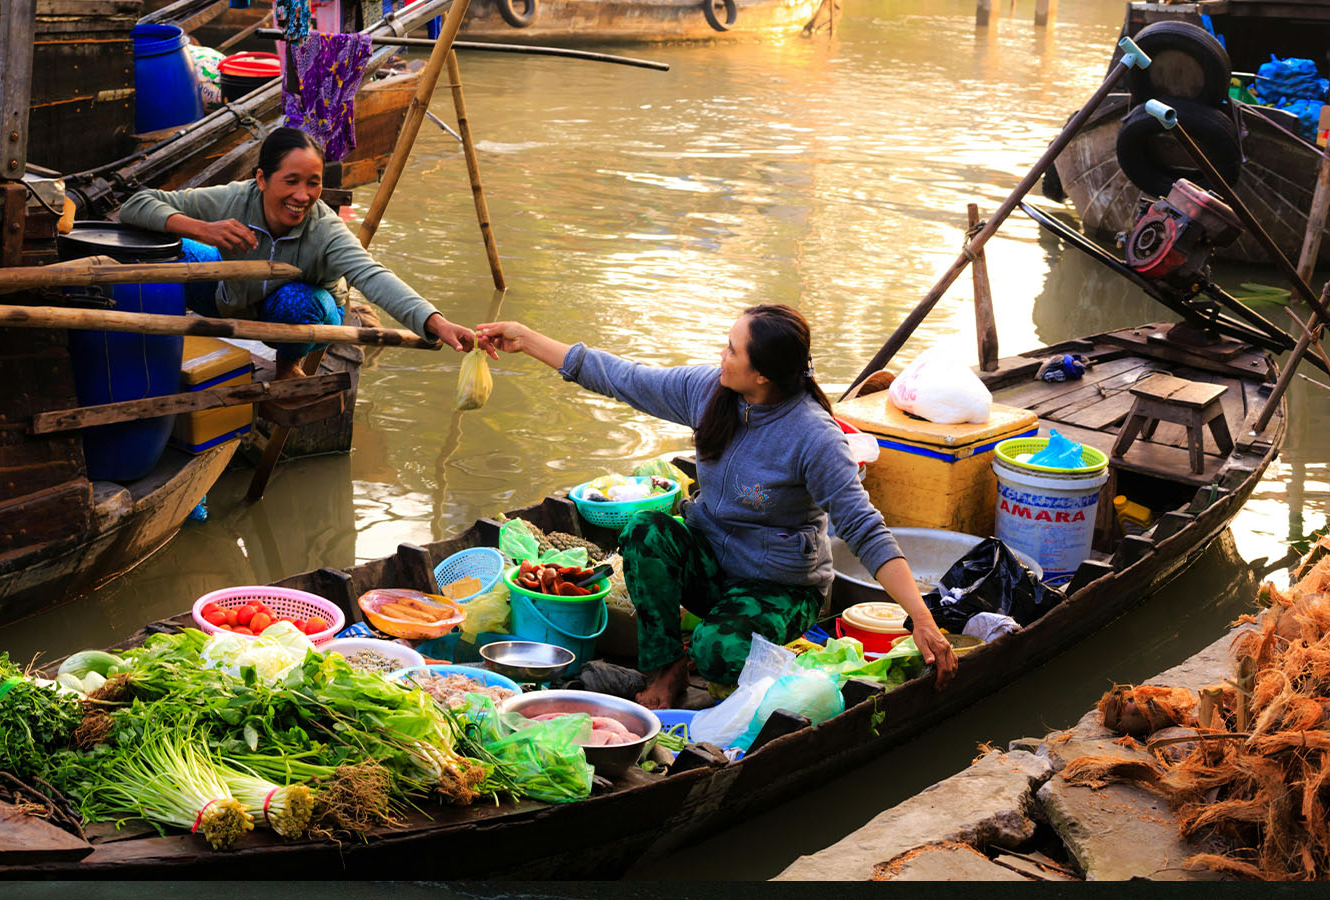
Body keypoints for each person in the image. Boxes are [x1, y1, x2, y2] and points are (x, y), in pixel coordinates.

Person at [475, 306, 957, 708]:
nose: (720, 356)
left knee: (717, 651)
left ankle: (709, 655)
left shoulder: (813, 437)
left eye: (731, 349)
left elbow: (866, 530)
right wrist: (526, 338)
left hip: (780, 587)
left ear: (763, 374)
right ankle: (665, 672)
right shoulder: (712, 392)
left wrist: (922, 619)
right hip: (713, 568)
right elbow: (624, 378)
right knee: (647, 530)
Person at [118, 127, 476, 378]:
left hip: (296, 316)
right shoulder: (234, 199)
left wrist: (435, 322)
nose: (303, 196)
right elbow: (136, 205)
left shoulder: (325, 229)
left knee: (298, 300)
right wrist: (204, 228)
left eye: (313, 183)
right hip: (233, 296)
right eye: (291, 181)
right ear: (261, 180)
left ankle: (288, 366)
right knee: (170, 251)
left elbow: (373, 276)